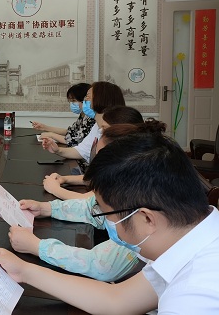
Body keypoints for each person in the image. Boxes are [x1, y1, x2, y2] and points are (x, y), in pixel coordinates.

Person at [0, 130, 219, 314]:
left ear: (147, 218)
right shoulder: (189, 241)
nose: (106, 222)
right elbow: (117, 300)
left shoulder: (196, 296)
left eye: (106, 215)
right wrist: (23, 270)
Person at [9, 120, 166, 282]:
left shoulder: (140, 228)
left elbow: (101, 265)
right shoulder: (134, 198)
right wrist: (46, 208)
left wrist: (37, 247)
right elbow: (91, 208)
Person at [42, 105, 145, 200]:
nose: (100, 132)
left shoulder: (129, 163)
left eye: (104, 128)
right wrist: (64, 179)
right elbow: (98, 180)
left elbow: (89, 201)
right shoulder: (127, 154)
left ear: (119, 131)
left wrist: (54, 188)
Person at [40, 81, 125, 165]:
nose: (84, 101)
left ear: (101, 100)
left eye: (87, 97)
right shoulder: (96, 126)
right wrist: (57, 150)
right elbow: (81, 151)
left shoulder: (116, 133)